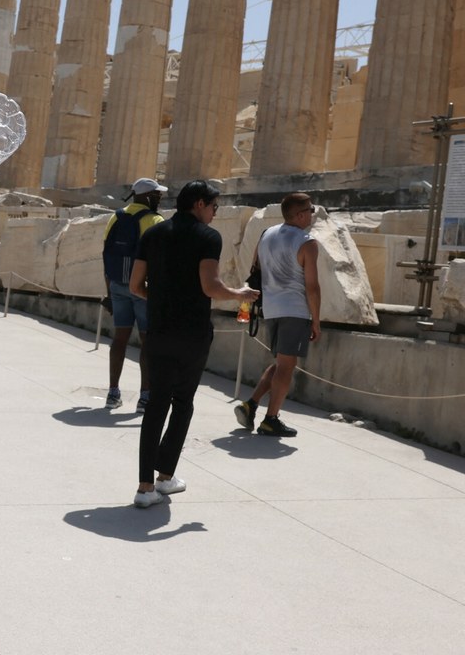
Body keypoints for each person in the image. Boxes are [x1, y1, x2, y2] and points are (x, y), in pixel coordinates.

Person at [129, 180, 258, 508]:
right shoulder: (207, 237)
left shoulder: (153, 234)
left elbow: (134, 285)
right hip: (191, 333)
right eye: (214, 207)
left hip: (158, 331)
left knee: (155, 405)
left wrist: (160, 300)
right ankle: (165, 476)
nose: (215, 213)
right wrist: (239, 294)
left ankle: (145, 487)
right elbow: (211, 286)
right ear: (199, 204)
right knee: (182, 403)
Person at [234, 193, 321, 437]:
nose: (312, 215)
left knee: (282, 362)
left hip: (271, 309)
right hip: (296, 309)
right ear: (301, 215)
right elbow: (312, 287)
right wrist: (316, 320)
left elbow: (256, 270)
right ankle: (271, 419)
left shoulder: (266, 235)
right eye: (310, 210)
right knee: (286, 366)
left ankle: (250, 405)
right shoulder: (307, 242)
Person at [101, 177, 166, 411]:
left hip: (118, 284)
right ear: (148, 196)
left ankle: (113, 393)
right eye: (157, 195)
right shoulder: (154, 220)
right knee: (147, 341)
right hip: (144, 288)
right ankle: (145, 396)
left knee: (120, 339)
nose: (160, 198)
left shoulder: (115, 217)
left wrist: (109, 292)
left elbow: (106, 255)